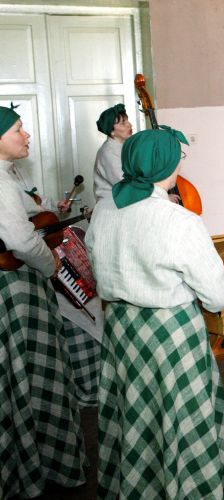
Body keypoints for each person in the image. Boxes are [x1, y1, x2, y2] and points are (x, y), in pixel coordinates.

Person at [86, 127, 224, 498]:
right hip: (170, 334)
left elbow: (97, 267)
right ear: (165, 164)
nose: (180, 166)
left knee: (135, 416)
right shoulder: (179, 220)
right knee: (179, 420)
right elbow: (219, 296)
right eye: (177, 159)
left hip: (122, 330)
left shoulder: (104, 210)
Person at [0, 104, 88, 497]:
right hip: (16, 288)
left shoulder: (9, 175)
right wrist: (51, 264)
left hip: (14, 284)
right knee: (37, 373)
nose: (27, 135)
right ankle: (48, 463)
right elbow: (20, 241)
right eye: (18, 129)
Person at [93, 103, 133, 202]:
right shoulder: (107, 153)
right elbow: (126, 184)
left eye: (127, 120)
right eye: (123, 123)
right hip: (112, 206)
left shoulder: (125, 146)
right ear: (112, 131)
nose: (129, 125)